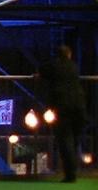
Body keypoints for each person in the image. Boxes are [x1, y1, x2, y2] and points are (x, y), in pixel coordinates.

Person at [37, 44, 87, 182]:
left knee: (65, 140)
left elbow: (42, 70)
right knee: (75, 139)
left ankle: (70, 173)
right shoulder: (74, 66)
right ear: (69, 54)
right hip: (79, 105)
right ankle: (74, 169)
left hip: (62, 106)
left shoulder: (54, 65)